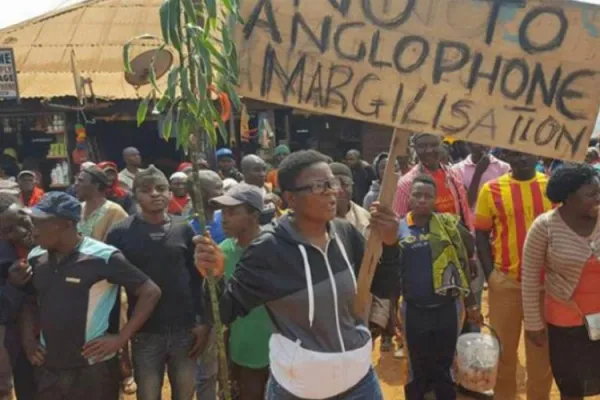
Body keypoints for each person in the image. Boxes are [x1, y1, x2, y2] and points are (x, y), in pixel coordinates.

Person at [194, 150, 401, 399]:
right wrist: (214, 276)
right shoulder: (269, 249)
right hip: (299, 389)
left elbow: (381, 286)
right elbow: (226, 311)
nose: (331, 191)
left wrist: (389, 245)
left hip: (358, 382)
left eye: (331, 183)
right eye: (318, 186)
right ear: (291, 198)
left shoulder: (344, 233)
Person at [19, 192, 161, 400]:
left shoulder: (102, 257)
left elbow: (150, 292)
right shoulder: (36, 257)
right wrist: (29, 342)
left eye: (39, 224)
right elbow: (29, 303)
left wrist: (121, 338)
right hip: (49, 367)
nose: (33, 232)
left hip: (93, 368)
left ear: (65, 224)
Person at [105, 166, 215, 400]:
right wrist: (119, 334)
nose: (155, 194)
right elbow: (112, 288)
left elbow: (197, 281)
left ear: (169, 193)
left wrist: (202, 322)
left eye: (161, 189)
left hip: (185, 331)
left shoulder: (183, 229)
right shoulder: (120, 233)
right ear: (135, 195)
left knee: (185, 394)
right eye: (147, 190)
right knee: (148, 394)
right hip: (145, 332)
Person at [474, 149, 554, 400]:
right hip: (506, 283)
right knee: (504, 352)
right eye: (515, 154)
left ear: (537, 155)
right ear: (508, 156)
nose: (521, 158)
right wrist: (491, 276)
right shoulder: (491, 189)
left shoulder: (552, 188)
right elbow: (480, 234)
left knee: (541, 355)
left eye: (527, 154)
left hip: (544, 285)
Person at [522, 164, 600, 400]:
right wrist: (533, 324)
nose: (599, 198)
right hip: (565, 321)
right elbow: (530, 277)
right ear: (569, 197)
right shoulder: (545, 226)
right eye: (592, 194)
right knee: (571, 384)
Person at [400, 174, 480, 400]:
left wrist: (472, 303)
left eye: (428, 196)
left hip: (447, 308)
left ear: (435, 199)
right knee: (416, 366)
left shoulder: (449, 225)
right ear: (409, 198)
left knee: (445, 364)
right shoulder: (399, 229)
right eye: (417, 195)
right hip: (414, 310)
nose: (422, 200)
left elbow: (464, 259)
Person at [210, 183, 272, 400]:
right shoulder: (222, 253)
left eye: (232, 212)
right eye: (223, 212)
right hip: (242, 351)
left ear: (254, 215)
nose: (224, 219)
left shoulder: (276, 249)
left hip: (281, 350)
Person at [452, 142, 510, 335]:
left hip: (500, 241)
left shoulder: (503, 168)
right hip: (472, 241)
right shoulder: (457, 170)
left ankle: (500, 338)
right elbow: (465, 204)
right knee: (474, 292)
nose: (479, 144)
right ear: (467, 143)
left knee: (500, 292)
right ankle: (473, 339)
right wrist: (479, 172)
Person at [394, 134, 472, 230]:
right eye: (422, 146)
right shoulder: (406, 184)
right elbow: (398, 223)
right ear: (415, 149)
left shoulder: (453, 175)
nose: (429, 150)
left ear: (442, 146)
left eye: (434, 145)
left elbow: (465, 212)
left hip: (456, 240)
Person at [0, 194, 36, 400]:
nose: (22, 231)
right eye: (7, 231)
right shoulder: (5, 257)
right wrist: (13, 286)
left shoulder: (57, 230)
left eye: (23, 220)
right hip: (22, 346)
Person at [75, 166, 129, 241]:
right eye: (76, 180)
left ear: (96, 185)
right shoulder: (78, 208)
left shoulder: (115, 211)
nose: (76, 184)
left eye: (81, 181)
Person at [187, 170, 227, 244]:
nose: (223, 193)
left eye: (222, 187)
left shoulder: (226, 217)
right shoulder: (188, 228)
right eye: (218, 188)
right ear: (201, 193)